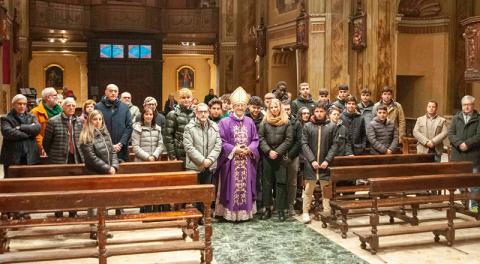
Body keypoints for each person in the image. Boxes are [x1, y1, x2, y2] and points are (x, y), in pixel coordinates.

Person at [215, 87, 259, 221]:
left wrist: (249, 149)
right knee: (229, 187)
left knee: (246, 186)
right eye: (237, 105)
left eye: (242, 105)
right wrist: (235, 149)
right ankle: (230, 214)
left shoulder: (250, 121)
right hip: (231, 161)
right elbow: (221, 141)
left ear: (245, 107)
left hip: (246, 160)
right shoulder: (224, 122)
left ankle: (245, 214)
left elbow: (255, 139)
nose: (240, 107)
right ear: (233, 107)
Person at [79, 109, 118, 239]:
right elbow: (90, 157)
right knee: (94, 203)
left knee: (105, 202)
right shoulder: (86, 135)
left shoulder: (105, 133)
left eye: (100, 119)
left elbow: (112, 152)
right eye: (95, 119)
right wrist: (107, 168)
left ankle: (104, 228)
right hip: (94, 174)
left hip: (107, 173)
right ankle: (94, 230)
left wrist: (114, 166)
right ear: (90, 121)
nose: (98, 122)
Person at [301, 102, 342, 224]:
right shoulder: (307, 126)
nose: (319, 114)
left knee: (326, 190)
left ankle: (327, 212)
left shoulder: (332, 126)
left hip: (325, 165)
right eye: (317, 111)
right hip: (311, 164)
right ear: (314, 112)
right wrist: (312, 160)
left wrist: (327, 160)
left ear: (326, 113)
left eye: (321, 111)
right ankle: (305, 212)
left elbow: (335, 145)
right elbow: (304, 143)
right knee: (308, 190)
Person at [43, 97, 83, 218]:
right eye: (68, 105)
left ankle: (73, 211)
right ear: (63, 107)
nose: (71, 108)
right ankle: (59, 211)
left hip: (75, 158)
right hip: (59, 159)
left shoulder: (79, 121)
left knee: (74, 187)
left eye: (73, 106)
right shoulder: (53, 121)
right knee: (59, 187)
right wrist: (54, 154)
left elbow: (81, 140)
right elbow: (46, 142)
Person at [183, 103, 222, 217]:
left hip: (209, 165)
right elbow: (188, 147)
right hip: (194, 166)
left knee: (205, 193)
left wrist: (209, 160)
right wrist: (202, 160)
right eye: (201, 112)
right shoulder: (189, 127)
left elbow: (218, 145)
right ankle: (196, 217)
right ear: (196, 113)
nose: (203, 114)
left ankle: (206, 216)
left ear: (208, 112)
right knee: (195, 194)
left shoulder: (214, 126)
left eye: (205, 111)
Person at [258, 99, 293, 222]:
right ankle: (267, 208)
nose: (274, 109)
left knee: (281, 183)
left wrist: (277, 152)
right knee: (267, 183)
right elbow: (261, 138)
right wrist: (269, 151)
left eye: (276, 107)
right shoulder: (264, 122)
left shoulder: (286, 122)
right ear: (269, 108)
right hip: (267, 156)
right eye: (271, 107)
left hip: (280, 156)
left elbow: (289, 139)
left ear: (280, 108)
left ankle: (281, 210)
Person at [448, 95, 480, 213]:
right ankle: (465, 201)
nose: (466, 107)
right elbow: (451, 133)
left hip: (474, 156)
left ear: (473, 105)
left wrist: (467, 144)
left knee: (475, 183)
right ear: (462, 106)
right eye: (464, 105)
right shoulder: (456, 118)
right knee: (460, 181)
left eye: (469, 104)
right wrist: (459, 143)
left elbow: (479, 136)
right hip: (458, 156)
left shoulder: (478, 118)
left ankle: (474, 207)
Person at [1, 94, 41, 178]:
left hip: (30, 156)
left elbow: (37, 129)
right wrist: (29, 133)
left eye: (24, 104)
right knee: (11, 185)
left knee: (30, 183)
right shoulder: (6, 118)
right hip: (13, 157)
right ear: (13, 104)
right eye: (19, 104)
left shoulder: (31, 116)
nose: (22, 106)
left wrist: (20, 127)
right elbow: (8, 133)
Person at [95, 84, 133, 162]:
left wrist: (121, 143)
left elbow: (129, 127)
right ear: (106, 92)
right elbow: (95, 128)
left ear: (118, 93)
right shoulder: (98, 107)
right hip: (103, 148)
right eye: (111, 91)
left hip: (121, 148)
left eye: (115, 91)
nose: (113, 93)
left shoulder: (124, 107)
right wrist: (109, 145)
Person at [281, 100, 302, 216]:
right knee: (281, 181)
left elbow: (299, 141)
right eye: (284, 109)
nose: (286, 111)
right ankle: (281, 204)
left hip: (293, 156)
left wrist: (290, 156)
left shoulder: (297, 123)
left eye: (288, 109)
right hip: (280, 156)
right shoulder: (277, 122)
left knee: (292, 182)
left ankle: (290, 204)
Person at [163, 88, 195, 164]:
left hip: (193, 153)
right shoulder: (172, 114)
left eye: (188, 97)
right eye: (183, 98)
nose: (186, 100)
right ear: (179, 99)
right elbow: (168, 137)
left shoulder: (195, 114)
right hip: (179, 153)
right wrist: (172, 156)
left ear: (191, 99)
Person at [31, 87, 62, 156]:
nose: (57, 97)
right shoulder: (35, 112)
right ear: (48, 98)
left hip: (60, 147)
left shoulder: (61, 110)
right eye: (55, 95)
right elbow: (36, 133)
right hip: (44, 148)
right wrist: (43, 147)